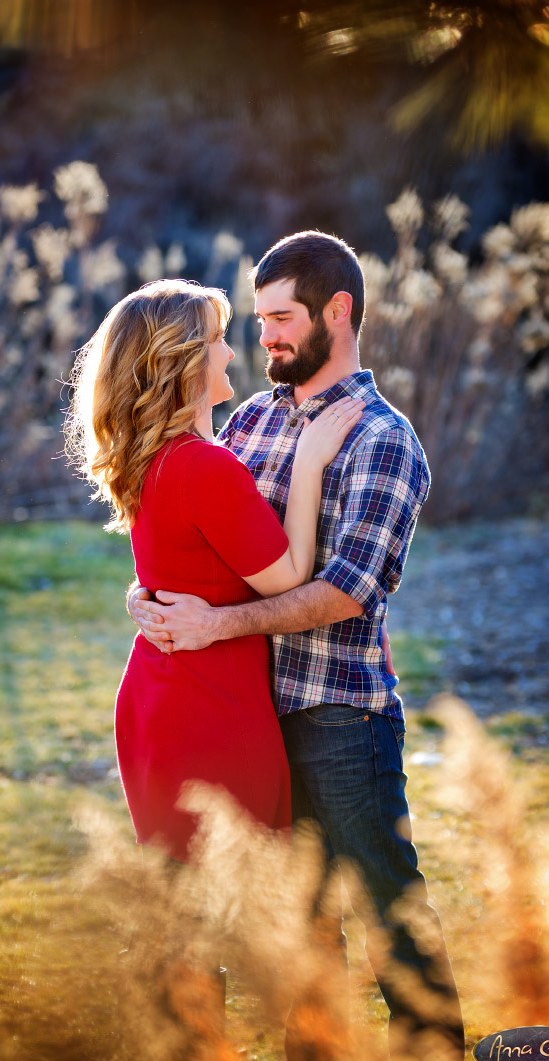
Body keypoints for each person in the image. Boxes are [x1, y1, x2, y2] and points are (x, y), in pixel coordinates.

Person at [130, 232, 465, 1061]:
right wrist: (150, 598)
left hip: (341, 717)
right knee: (306, 936)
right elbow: (211, 546)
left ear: (338, 311)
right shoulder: (248, 419)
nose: (265, 336)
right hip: (251, 721)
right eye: (258, 317)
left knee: (390, 912)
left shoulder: (384, 440)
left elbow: (342, 592)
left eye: (281, 318)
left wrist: (218, 627)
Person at [65, 278, 363, 863]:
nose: (232, 351)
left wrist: (139, 598)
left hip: (156, 697)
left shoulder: (150, 457)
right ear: (183, 362)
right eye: (219, 340)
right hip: (212, 708)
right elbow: (290, 578)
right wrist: (309, 461)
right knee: (244, 902)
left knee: (187, 913)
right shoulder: (206, 467)